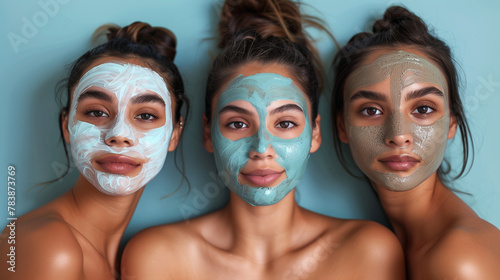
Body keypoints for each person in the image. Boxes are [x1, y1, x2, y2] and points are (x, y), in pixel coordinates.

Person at [122, 1, 405, 279]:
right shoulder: (156, 257)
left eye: (284, 123)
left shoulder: (368, 251)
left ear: (315, 133)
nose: (261, 149)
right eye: (237, 123)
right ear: (208, 133)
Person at [0, 22, 187, 279]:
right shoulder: (50, 248)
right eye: (96, 112)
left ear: (174, 134)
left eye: (145, 115)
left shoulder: (127, 260)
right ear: (67, 126)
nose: (119, 135)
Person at [332, 5, 500, 279]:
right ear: (342, 127)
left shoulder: (459, 259)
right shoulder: (397, 247)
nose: (398, 135)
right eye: (371, 110)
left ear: (452, 123)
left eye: (423, 109)